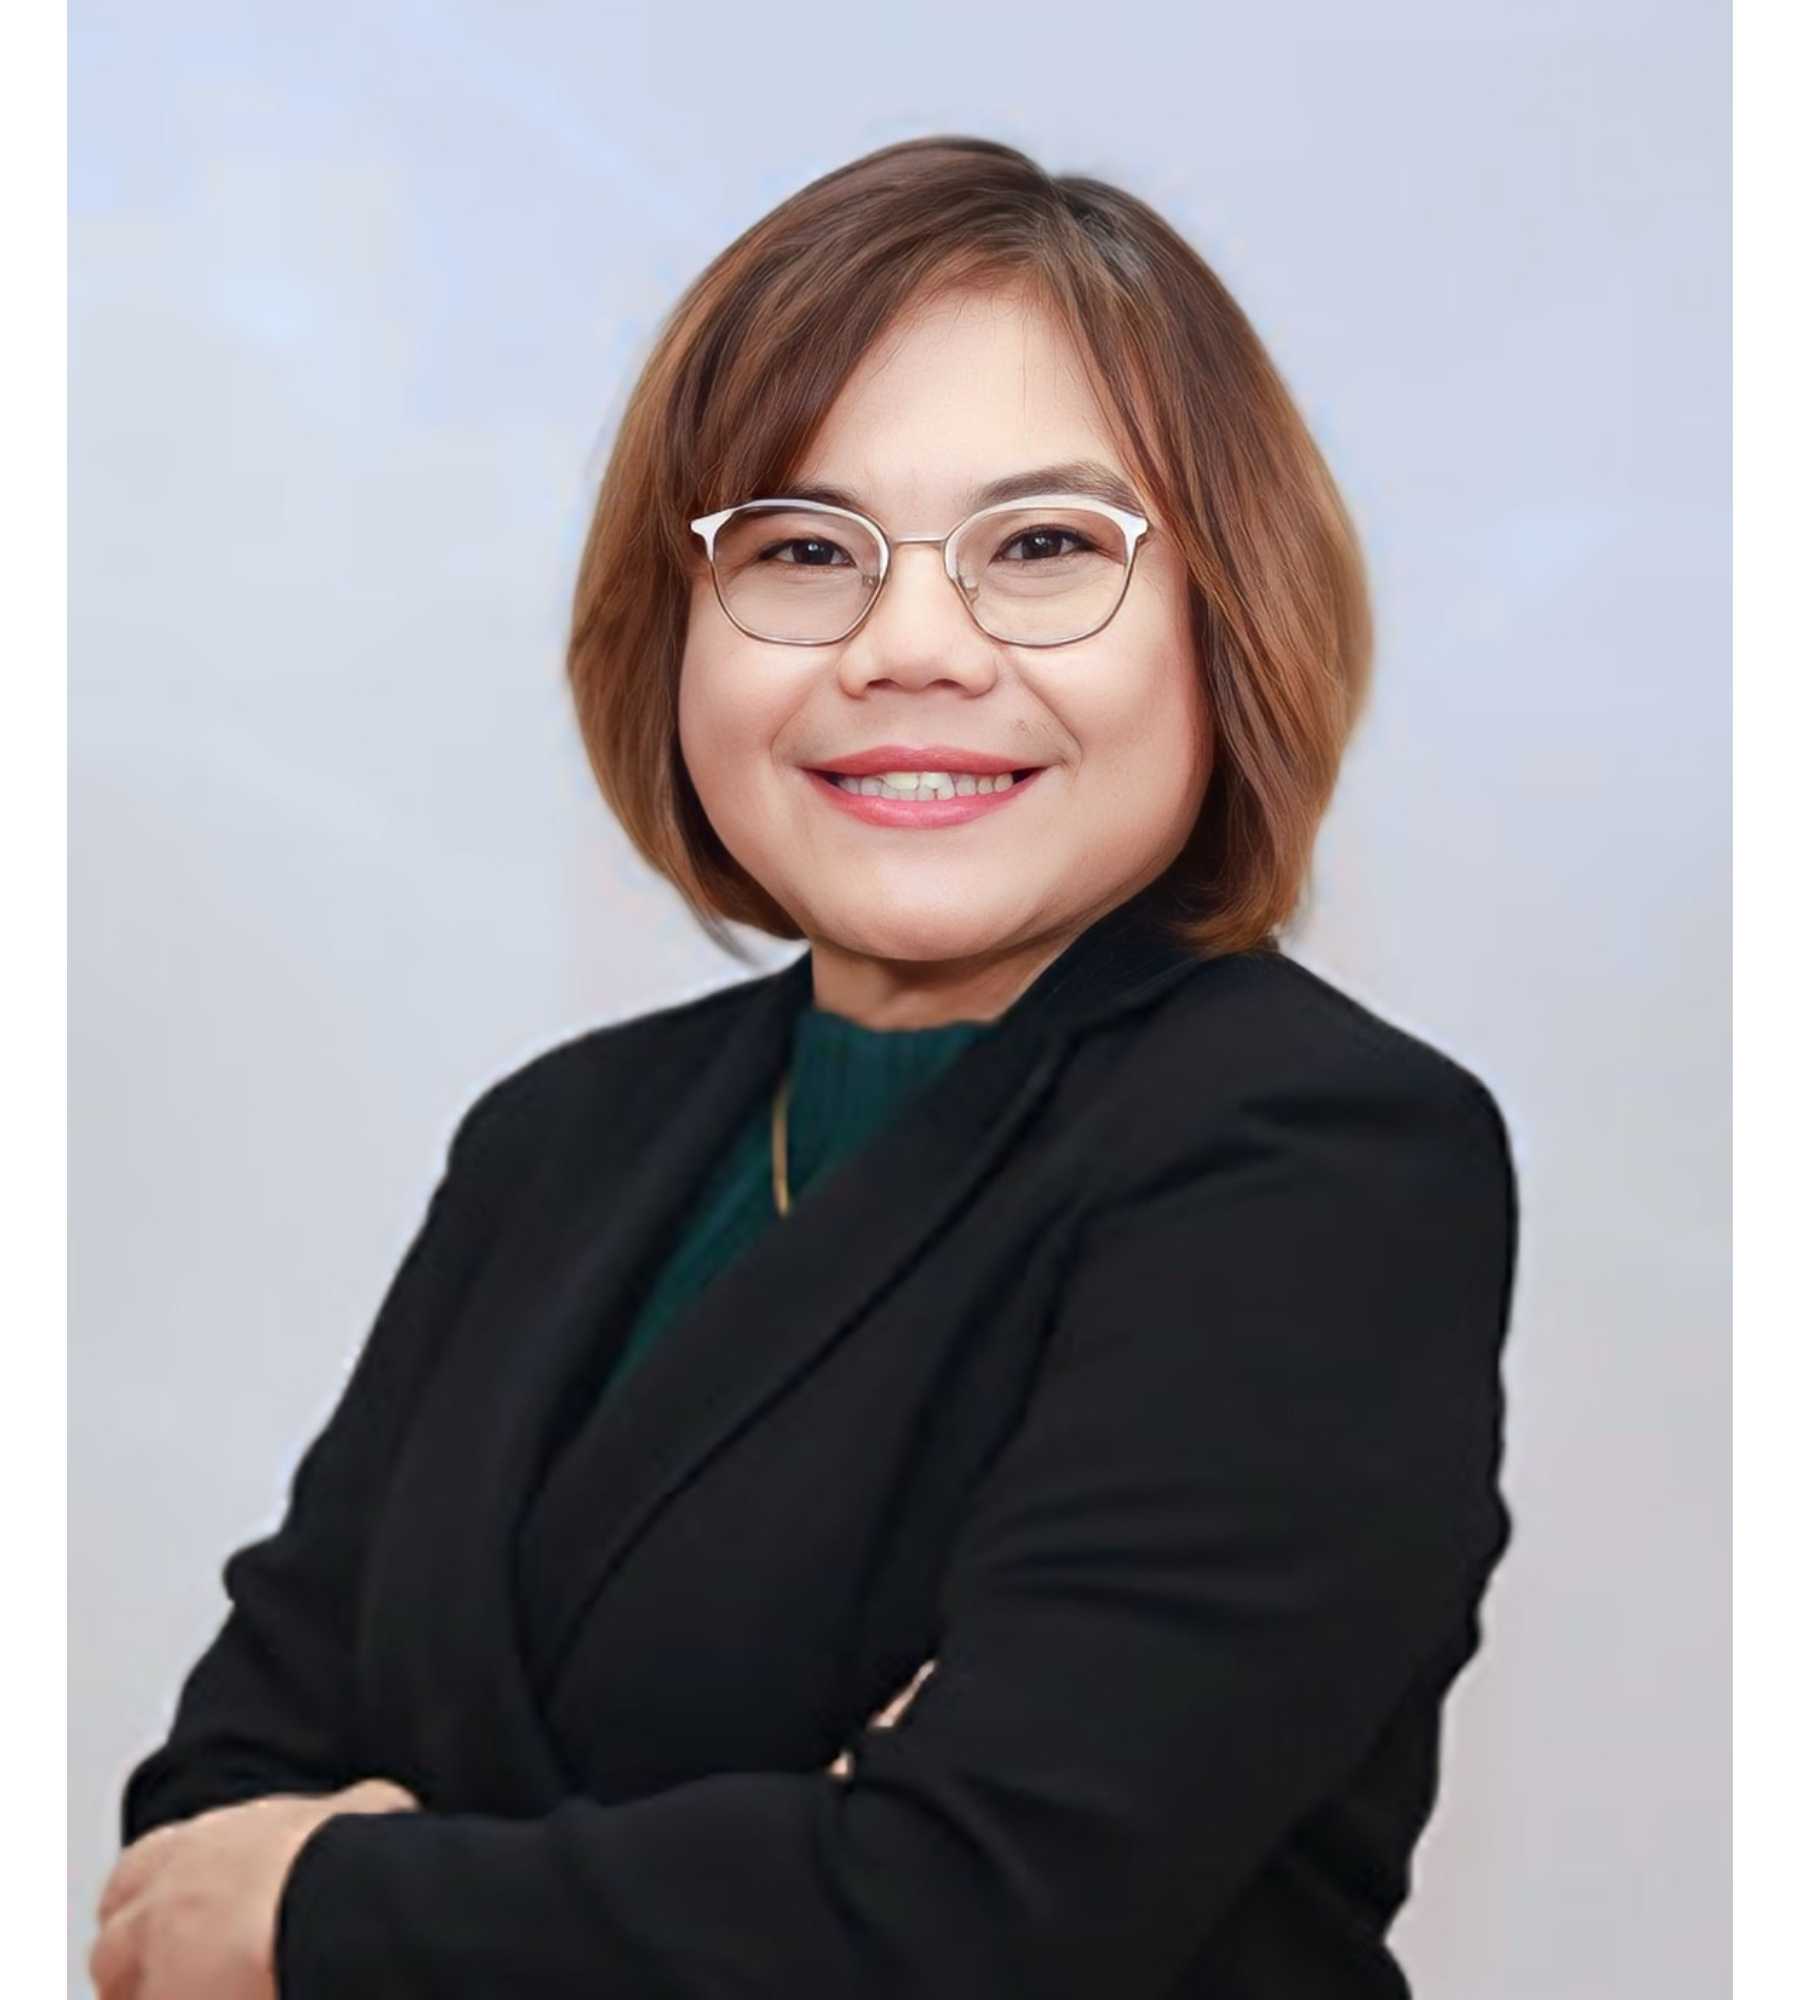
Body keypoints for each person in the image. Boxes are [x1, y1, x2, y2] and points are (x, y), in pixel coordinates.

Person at [92, 133, 1519, 1999]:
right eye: (799, 550)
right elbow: (193, 1844)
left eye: (1044, 548)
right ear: (678, 629)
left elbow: (971, 1920)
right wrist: (782, 1861)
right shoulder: (555, 1140)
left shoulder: (1318, 1160)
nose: (910, 646)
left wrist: (339, 1906)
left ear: (1223, 615)